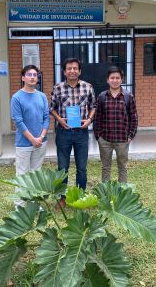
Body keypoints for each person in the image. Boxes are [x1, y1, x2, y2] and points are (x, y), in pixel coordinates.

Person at [50, 58, 96, 207]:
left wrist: (89, 120)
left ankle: (80, 196)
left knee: (81, 168)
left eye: (75, 68)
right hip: (64, 132)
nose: (72, 71)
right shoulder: (57, 88)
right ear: (64, 72)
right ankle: (61, 198)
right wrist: (60, 120)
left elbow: (93, 106)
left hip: (81, 133)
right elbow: (52, 108)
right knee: (62, 168)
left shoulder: (88, 87)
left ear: (79, 71)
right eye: (69, 68)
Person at [94, 65, 138, 183]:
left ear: (121, 79)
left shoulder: (128, 97)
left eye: (117, 78)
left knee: (122, 168)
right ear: (107, 80)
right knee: (105, 168)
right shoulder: (102, 97)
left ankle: (122, 193)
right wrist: (98, 136)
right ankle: (106, 193)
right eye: (112, 78)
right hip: (105, 140)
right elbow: (97, 118)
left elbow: (134, 118)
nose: (115, 80)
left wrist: (130, 136)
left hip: (122, 140)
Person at [11, 65, 50, 178]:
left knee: (36, 174)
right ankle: (22, 197)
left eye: (35, 75)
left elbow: (46, 118)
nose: (32, 77)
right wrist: (32, 139)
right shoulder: (16, 98)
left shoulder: (42, 96)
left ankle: (34, 196)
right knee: (22, 175)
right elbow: (18, 121)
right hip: (24, 143)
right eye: (29, 75)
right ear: (23, 78)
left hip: (40, 142)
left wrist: (41, 138)